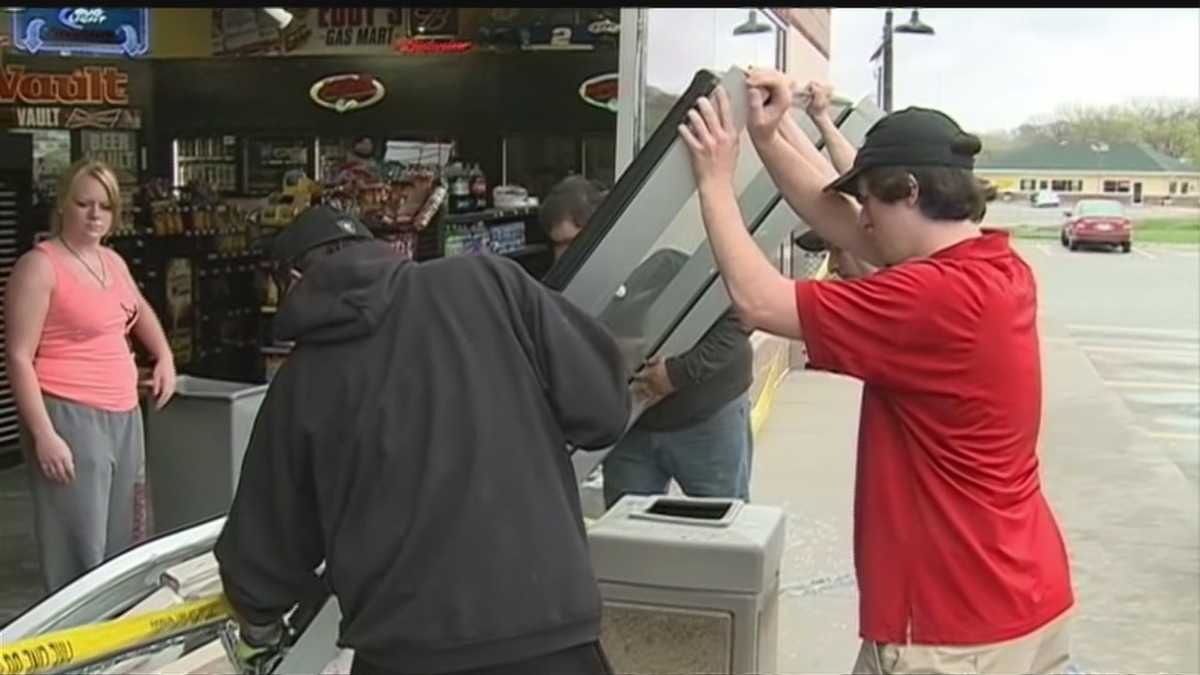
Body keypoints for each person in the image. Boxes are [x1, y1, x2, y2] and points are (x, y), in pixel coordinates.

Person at [675, 70, 1074, 675]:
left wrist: (715, 183)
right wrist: (769, 134)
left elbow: (760, 302)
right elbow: (839, 217)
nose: (862, 223)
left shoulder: (931, 298)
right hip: (1021, 594)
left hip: (951, 628)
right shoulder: (996, 269)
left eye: (872, 203)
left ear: (909, 190)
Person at [214, 205, 630, 675]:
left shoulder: (301, 382)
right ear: (380, 251)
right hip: (550, 635)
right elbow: (604, 411)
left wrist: (260, 634)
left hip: (406, 653)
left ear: (292, 281)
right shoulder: (490, 284)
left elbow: (262, 557)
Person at [4, 159, 177, 594]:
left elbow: (139, 311)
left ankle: (115, 640)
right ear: (63, 204)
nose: (95, 215)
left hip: (123, 411)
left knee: (127, 538)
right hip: (69, 412)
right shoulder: (39, 266)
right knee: (79, 544)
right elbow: (19, 356)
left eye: (105, 206)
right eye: (84, 204)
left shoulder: (112, 261)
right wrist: (44, 433)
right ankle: (74, 649)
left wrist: (164, 358)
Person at [539, 175, 755, 509]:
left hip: (706, 418)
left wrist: (675, 373)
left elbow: (738, 322)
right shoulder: (573, 295)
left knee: (726, 530)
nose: (563, 256)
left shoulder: (668, 271)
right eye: (556, 245)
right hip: (631, 426)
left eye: (572, 242)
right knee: (627, 534)